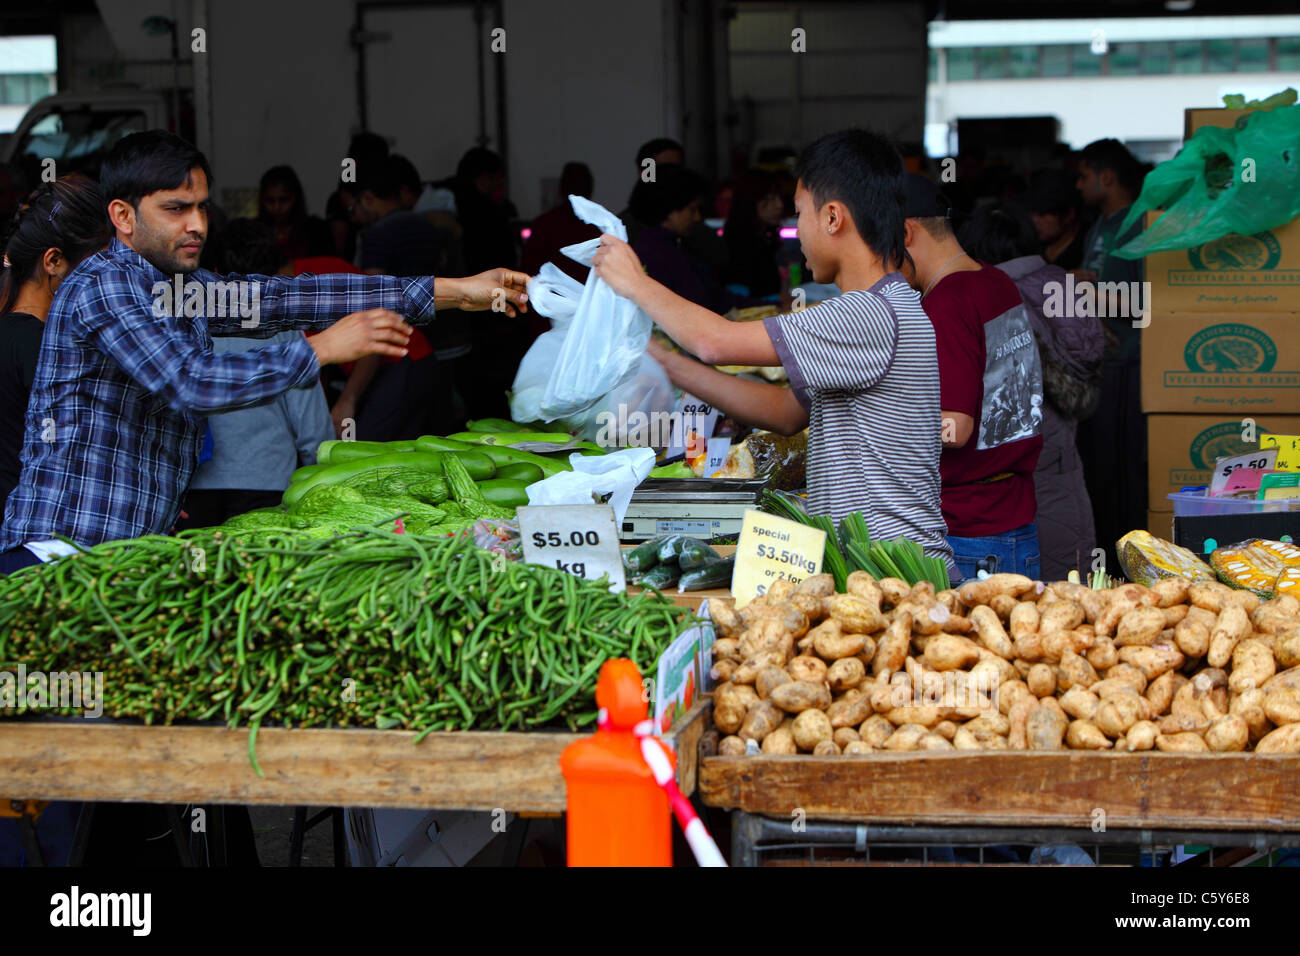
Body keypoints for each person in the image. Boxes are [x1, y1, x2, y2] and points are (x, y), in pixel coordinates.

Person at [0, 129, 527, 574]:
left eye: (202, 207)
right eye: (175, 208)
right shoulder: (104, 285)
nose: (197, 225)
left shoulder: (182, 288)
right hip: (57, 557)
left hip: (114, 562)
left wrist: (458, 291)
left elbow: (289, 297)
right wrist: (319, 351)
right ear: (123, 216)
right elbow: (190, 380)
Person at [593, 129, 954, 575]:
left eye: (800, 213)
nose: (796, 230)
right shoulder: (887, 306)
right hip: (874, 566)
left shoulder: (870, 314)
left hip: (892, 575)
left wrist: (634, 282)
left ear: (833, 218)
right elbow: (785, 412)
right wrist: (666, 361)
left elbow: (715, 341)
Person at [901, 173, 1043, 582]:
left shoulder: (945, 303)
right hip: (1015, 524)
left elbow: (955, 428)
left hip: (971, 536)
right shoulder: (995, 281)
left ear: (906, 233)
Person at [960, 202, 1103, 581]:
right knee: (1072, 587)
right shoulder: (1063, 283)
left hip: (1018, 468)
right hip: (1066, 458)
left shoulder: (995, 297)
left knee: (1021, 597)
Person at [177, 218, 335, 528]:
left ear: (215, 271)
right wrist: (322, 476)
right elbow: (310, 423)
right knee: (262, 573)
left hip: (194, 488)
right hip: (268, 481)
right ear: (275, 273)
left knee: (200, 573)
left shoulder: (188, 322)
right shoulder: (283, 328)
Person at [0, 175, 112, 526]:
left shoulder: (13, 333)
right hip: (33, 542)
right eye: (97, 267)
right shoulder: (41, 348)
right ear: (53, 261)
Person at [1073, 138, 1148, 572]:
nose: (1079, 187)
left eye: (1084, 177)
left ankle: (1129, 566)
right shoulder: (1098, 226)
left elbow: (1147, 302)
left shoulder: (1137, 226)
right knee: (1097, 475)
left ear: (1106, 176)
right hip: (1096, 367)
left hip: (1127, 368)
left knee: (1122, 477)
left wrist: (1090, 292)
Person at [338, 155, 447, 440]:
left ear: (369, 198)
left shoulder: (377, 235)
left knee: (382, 441)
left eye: (355, 206)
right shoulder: (427, 226)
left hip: (398, 349)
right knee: (430, 436)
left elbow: (376, 297)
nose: (354, 215)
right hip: (438, 341)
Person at [629, 165, 755, 314]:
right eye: (692, 209)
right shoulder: (657, 254)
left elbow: (715, 297)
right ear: (670, 211)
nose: (697, 217)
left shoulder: (671, 246)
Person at [519, 162, 601, 342]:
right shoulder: (601, 228)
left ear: (560, 189)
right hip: (590, 318)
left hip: (547, 319)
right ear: (591, 189)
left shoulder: (543, 225)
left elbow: (526, 273)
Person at [722, 169, 784, 298]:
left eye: (778, 197)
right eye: (770, 199)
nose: (779, 205)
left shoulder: (763, 238)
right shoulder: (739, 245)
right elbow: (738, 298)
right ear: (750, 201)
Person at [257, 164, 333, 259]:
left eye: (283, 200)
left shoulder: (316, 231)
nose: (276, 207)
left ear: (296, 198)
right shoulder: (254, 233)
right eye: (270, 200)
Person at [1024, 168, 1088, 271]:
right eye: (1033, 213)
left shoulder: (1087, 248)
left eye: (1043, 214)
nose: (1035, 220)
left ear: (1069, 214)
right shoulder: (1030, 246)